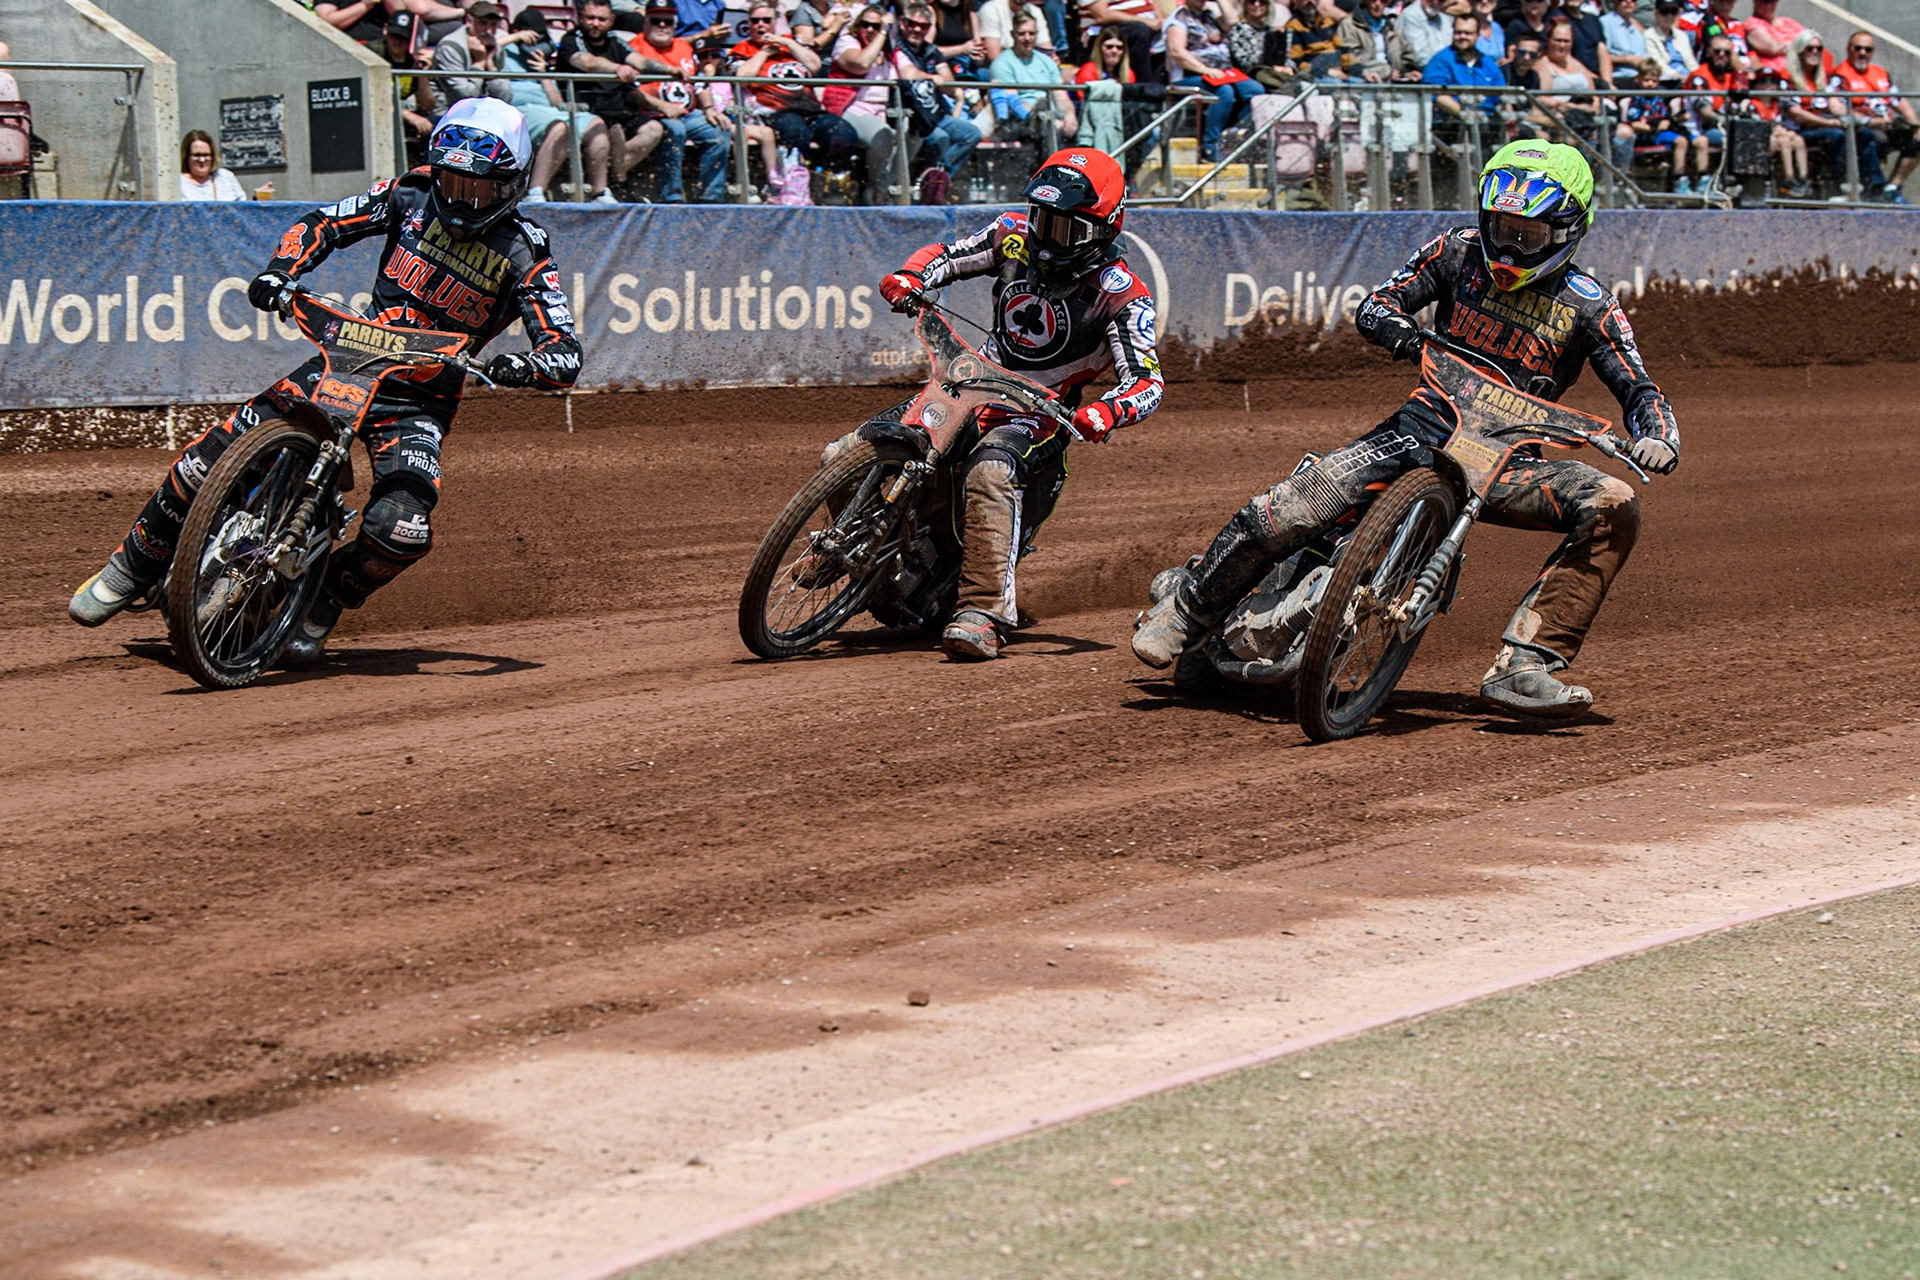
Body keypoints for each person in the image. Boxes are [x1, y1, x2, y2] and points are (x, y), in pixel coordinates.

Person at [1134, 141, 1680, 718]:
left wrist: (1658, 435)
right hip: (1420, 429)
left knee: (1615, 502)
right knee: (1290, 507)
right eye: (1503, 226)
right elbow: (1377, 304)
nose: (1512, 245)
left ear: (1569, 230)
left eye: (1532, 235)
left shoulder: (1588, 306)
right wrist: (1403, 333)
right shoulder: (1456, 251)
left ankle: (1527, 663)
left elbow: (1641, 388)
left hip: (1508, 460)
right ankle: (1190, 608)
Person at [70, 99, 583, 662]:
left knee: (402, 528)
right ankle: (133, 564)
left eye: (477, 188)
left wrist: (527, 364)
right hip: (349, 358)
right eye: (451, 181)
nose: (461, 198)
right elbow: (325, 222)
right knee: (208, 457)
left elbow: (564, 348)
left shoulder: (526, 251)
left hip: (417, 400)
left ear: (511, 185)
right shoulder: (409, 192)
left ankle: (323, 603)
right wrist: (281, 270)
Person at [864, 149, 1163, 659]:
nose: (1047, 235)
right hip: (973, 378)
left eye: (1065, 228)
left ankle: (983, 612)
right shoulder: (1013, 234)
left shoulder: (1122, 294)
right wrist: (911, 276)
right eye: (1043, 218)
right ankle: (859, 555)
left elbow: (1147, 382)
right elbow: (949, 255)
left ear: (1102, 229)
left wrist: (1105, 412)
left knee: (990, 472)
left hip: (1039, 412)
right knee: (855, 447)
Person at [731, 3, 860, 188]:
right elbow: (741, 78)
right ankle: (795, 187)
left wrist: (787, 43)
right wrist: (764, 52)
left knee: (843, 134)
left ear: (775, 22)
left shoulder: (791, 43)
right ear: (748, 24)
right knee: (796, 133)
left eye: (767, 20)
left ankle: (829, 184)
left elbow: (815, 65)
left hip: (811, 110)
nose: (761, 25)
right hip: (776, 111)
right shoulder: (741, 49)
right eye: (755, 21)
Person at [498, 8, 615, 203]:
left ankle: (600, 192)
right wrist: (515, 37)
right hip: (518, 110)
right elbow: (485, 46)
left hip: (550, 111)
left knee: (596, 124)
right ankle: (535, 191)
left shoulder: (541, 56)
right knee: (560, 128)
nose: (532, 42)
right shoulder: (503, 52)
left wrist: (544, 75)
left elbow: (558, 103)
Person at [561, 0, 672, 200]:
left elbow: (639, 61)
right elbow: (588, 62)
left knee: (654, 129)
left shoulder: (614, 40)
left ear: (611, 20)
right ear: (580, 18)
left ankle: (612, 172)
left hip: (618, 105)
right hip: (588, 107)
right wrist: (616, 68)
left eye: (601, 19)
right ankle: (617, 184)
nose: (595, 23)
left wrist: (670, 70)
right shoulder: (572, 39)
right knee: (612, 130)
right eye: (590, 18)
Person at [629, 0, 732, 202]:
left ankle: (711, 198)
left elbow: (699, 83)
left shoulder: (684, 47)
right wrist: (662, 107)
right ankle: (672, 197)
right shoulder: (634, 47)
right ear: (646, 23)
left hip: (687, 112)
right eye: (656, 20)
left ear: (675, 24)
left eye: (667, 21)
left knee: (720, 130)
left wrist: (710, 108)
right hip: (650, 113)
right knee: (675, 130)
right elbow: (630, 91)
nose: (661, 26)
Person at [896, 4, 983, 202]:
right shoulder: (898, 47)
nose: (917, 29)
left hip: (935, 114)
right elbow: (908, 73)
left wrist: (940, 78)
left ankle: (938, 177)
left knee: (972, 134)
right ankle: (924, 181)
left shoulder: (931, 50)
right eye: (912, 24)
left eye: (923, 26)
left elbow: (948, 82)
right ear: (903, 24)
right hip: (912, 117)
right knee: (940, 138)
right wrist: (931, 77)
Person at [1828, 30, 1920, 202]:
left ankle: (1892, 188)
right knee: (1873, 138)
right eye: (1858, 48)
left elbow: (1900, 101)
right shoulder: (1840, 75)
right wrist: (1869, 121)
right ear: (1849, 49)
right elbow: (1836, 107)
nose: (1863, 53)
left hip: (1888, 125)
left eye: (1868, 49)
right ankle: (1877, 189)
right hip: (1864, 128)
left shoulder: (1881, 73)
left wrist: (1915, 124)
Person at [1785, 28, 1879, 196]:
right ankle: (1842, 185)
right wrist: (1829, 123)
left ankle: (1875, 186)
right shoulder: (1788, 78)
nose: (1814, 52)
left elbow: (1835, 105)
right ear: (1800, 50)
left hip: (1826, 125)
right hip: (1802, 129)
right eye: (1809, 48)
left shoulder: (1825, 79)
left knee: (1863, 133)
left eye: (1818, 49)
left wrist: (1851, 118)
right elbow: (1796, 113)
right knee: (1837, 136)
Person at [1168, 0, 1263, 161]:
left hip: (1222, 72)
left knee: (1255, 92)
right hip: (1190, 75)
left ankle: (1229, 135)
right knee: (1224, 91)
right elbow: (1177, 52)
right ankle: (1210, 145)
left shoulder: (1209, 15)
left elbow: (1232, 21)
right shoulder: (1179, 18)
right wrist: (1205, 69)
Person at [990, 16, 1079, 148]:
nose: (1027, 38)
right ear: (1012, 35)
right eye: (1021, 33)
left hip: (1050, 117)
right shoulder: (1002, 63)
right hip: (1020, 120)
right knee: (1047, 127)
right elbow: (1012, 102)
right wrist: (1046, 121)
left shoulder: (1047, 61)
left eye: (1031, 33)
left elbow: (1060, 96)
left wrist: (1070, 116)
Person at [1614, 55, 1697, 190]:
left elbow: (1666, 116)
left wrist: (1669, 121)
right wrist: (1651, 128)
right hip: (1646, 136)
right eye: (1646, 80)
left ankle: (1688, 178)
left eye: (1654, 80)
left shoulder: (1659, 99)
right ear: (1638, 79)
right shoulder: (1636, 99)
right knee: (1680, 141)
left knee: (1691, 140)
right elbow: (1633, 123)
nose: (1650, 84)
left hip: (1661, 134)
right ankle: (1679, 180)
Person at [1683, 32, 1744, 193]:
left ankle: (1751, 182)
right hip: (1700, 129)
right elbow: (1705, 112)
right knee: (1736, 136)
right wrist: (1731, 121)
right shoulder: (1699, 77)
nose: (1722, 55)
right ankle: (1730, 180)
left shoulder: (1731, 77)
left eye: (1727, 52)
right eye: (1717, 51)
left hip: (1722, 126)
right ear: (1708, 52)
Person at [1424, 11, 1506, 123]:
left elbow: (1502, 95)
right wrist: (1468, 115)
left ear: (1478, 36)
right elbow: (1436, 94)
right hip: (1451, 123)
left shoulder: (1488, 64)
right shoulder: (1441, 60)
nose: (1462, 36)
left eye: (1468, 33)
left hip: (1489, 122)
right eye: (1458, 32)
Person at [1339, 0, 1410, 83]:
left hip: (1394, 82)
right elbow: (1353, 56)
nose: (1378, 4)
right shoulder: (1349, 25)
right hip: (1365, 82)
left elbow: (1406, 53)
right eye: (1373, 0)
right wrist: (1388, 71)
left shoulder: (1390, 26)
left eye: (1383, 1)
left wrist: (1408, 71)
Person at [1741, 0, 1802, 79]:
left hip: (1801, 73)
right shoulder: (1752, 24)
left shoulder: (1788, 22)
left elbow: (1810, 41)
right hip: (1775, 78)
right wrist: (1801, 46)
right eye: (1764, 2)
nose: (1768, 6)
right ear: (1755, 2)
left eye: (1772, 2)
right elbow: (1773, 48)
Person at [178, 130, 245, 201]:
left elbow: (243, 206)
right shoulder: (179, 183)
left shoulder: (225, 176)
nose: (202, 160)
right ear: (186, 157)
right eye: (197, 155)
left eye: (206, 155)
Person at [1397, 0, 1453, 79]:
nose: (1435, 2)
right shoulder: (1411, 15)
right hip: (1419, 73)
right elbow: (1421, 57)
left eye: (1441, 0)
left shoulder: (1445, 18)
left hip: (1444, 71)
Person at [1645, 0, 1696, 85]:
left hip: (1687, 80)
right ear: (1656, 14)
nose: (1669, 16)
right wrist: (1678, 76)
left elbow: (1691, 62)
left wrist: (1697, 75)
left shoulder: (1682, 35)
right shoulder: (1649, 35)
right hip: (1666, 81)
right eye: (1664, 12)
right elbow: (1658, 64)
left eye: (1673, 12)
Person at [1600, 0, 1649, 85]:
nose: (1629, 1)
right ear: (1615, 2)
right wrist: (1626, 59)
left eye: (1633, 0)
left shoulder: (1636, 28)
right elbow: (1601, 56)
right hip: (1619, 77)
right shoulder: (1605, 23)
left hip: (1642, 78)